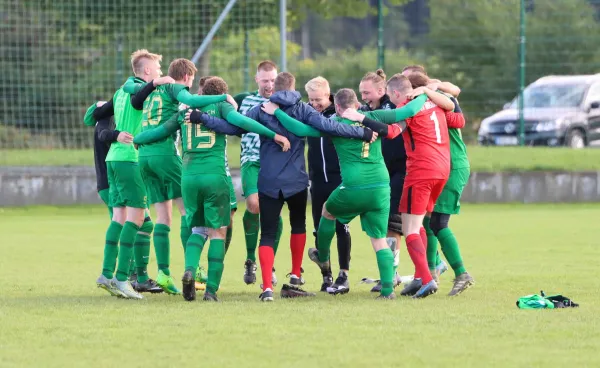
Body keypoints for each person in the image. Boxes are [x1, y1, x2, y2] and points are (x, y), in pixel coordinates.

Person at [134, 76, 289, 301]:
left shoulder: (183, 112)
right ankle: (211, 291)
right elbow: (244, 123)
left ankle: (189, 269)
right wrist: (273, 134)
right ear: (222, 92)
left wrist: (137, 138)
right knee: (218, 232)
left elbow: (159, 132)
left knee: (197, 229)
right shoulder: (221, 106)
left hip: (188, 178)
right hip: (215, 177)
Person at [263, 88, 427, 299]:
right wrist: (425, 93)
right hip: (380, 186)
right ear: (356, 103)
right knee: (379, 239)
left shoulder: (335, 124)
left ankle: (322, 255)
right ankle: (387, 290)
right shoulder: (372, 116)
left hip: (353, 186)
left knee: (327, 212)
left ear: (337, 106)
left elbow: (300, 129)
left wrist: (276, 112)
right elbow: (409, 111)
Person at [246, 71, 375, 301]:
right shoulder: (302, 109)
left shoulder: (261, 109)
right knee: (298, 225)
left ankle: (267, 288)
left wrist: (209, 115)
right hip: (296, 181)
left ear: (275, 88)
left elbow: (238, 124)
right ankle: (296, 274)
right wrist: (362, 132)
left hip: (268, 181)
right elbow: (330, 128)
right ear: (294, 88)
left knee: (267, 234)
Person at [363, 73, 464, 299]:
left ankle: (427, 280)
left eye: (391, 96)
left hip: (420, 171)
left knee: (409, 229)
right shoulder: (436, 104)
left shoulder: (409, 106)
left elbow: (391, 131)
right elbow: (458, 120)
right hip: (442, 170)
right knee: (418, 226)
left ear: (397, 93)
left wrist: (363, 119)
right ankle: (424, 274)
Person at [406, 71, 475, 296]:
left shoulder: (436, 102)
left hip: (450, 167)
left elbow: (456, 105)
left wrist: (431, 89)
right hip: (444, 166)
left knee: (437, 223)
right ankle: (431, 271)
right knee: (427, 221)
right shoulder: (432, 99)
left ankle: (461, 273)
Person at [84, 101, 163, 294]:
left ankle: (123, 276)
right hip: (115, 179)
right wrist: (116, 133)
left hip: (112, 179)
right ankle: (127, 276)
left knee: (136, 223)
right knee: (133, 223)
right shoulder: (109, 117)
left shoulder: (112, 115)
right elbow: (101, 131)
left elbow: (88, 118)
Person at [304, 76, 352, 294]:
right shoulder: (307, 111)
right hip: (317, 180)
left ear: (329, 95)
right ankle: (326, 275)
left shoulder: (339, 112)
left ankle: (344, 275)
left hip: (338, 179)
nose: (314, 104)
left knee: (341, 226)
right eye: (311, 99)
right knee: (320, 230)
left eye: (318, 99)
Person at [237, 61, 283, 286]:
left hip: (275, 163)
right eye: (265, 80)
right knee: (254, 204)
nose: (269, 84)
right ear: (257, 80)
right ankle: (249, 258)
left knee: (274, 211)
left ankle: (269, 263)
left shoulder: (283, 101)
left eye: (273, 80)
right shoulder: (247, 101)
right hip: (252, 160)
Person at [358, 69, 403, 293]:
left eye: (367, 93)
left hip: (399, 171)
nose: (364, 97)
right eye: (361, 93)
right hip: (378, 174)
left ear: (381, 90)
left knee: (392, 224)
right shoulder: (366, 109)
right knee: (380, 225)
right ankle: (390, 274)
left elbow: (387, 130)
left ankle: (393, 275)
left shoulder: (390, 107)